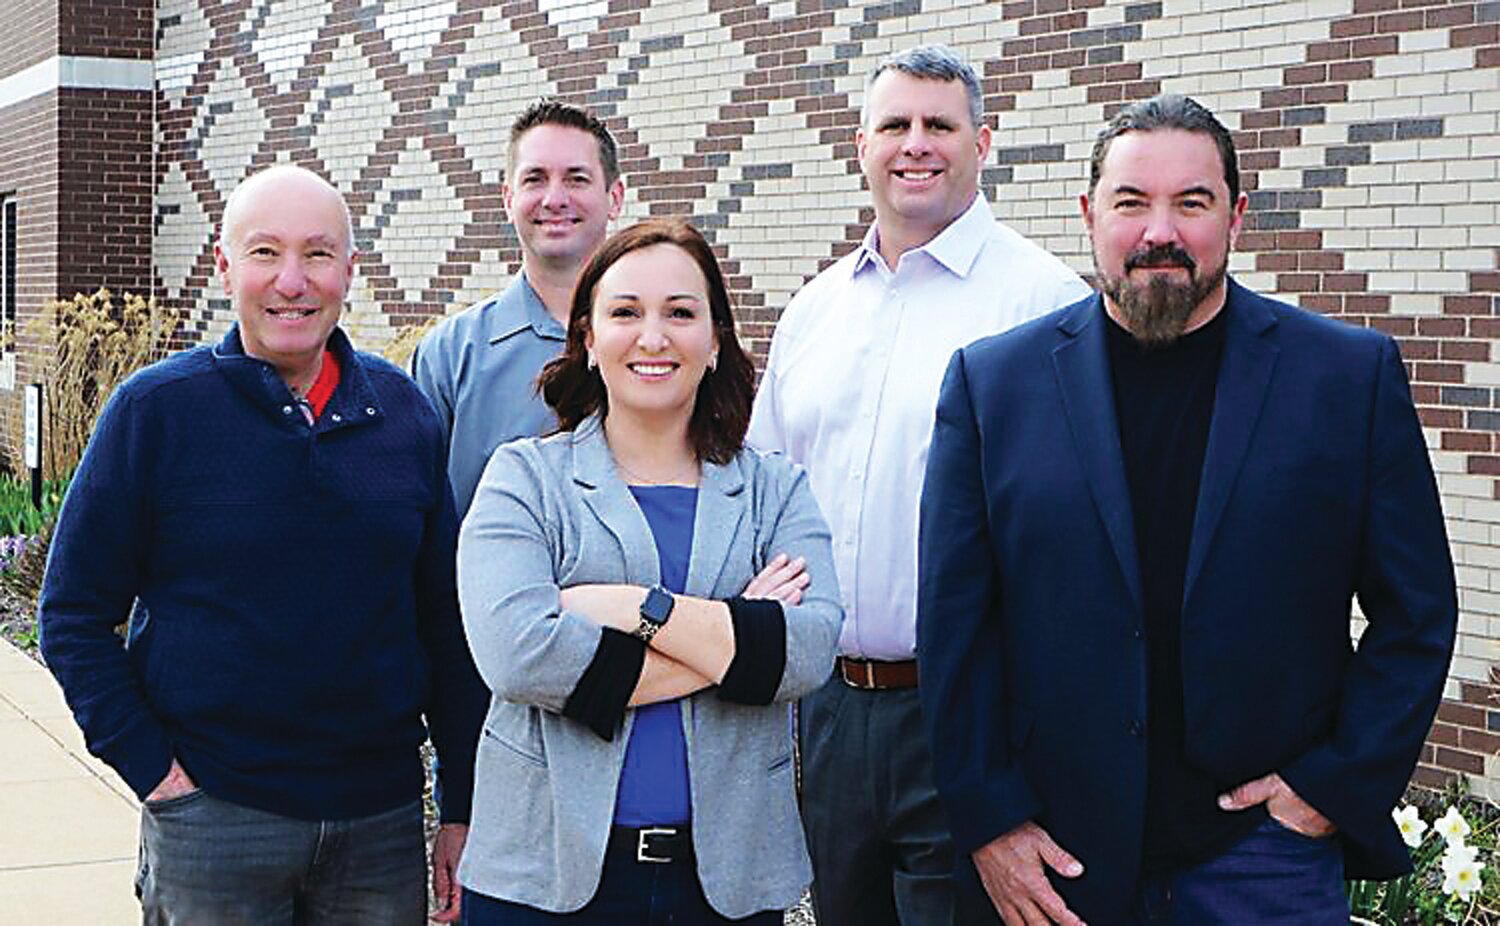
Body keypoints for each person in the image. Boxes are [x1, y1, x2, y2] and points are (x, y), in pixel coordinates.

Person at [917, 93, 1458, 925]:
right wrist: (990, 819)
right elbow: (957, 627)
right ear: (1089, 213)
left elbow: (1417, 614)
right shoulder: (994, 387)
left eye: (1192, 202)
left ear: (1236, 216)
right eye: (1131, 202)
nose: (1158, 231)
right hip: (1055, 859)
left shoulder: (1347, 379)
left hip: (1263, 860)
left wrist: (1331, 784)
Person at [38, 164, 487, 924]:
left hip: (377, 826)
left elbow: (444, 623)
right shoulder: (155, 414)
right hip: (216, 820)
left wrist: (460, 804)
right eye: (264, 253)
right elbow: (72, 612)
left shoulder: (403, 415)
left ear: (351, 267)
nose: (292, 281)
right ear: (223, 264)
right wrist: (158, 776)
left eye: (317, 254)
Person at [746, 45, 1090, 926]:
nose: (916, 144)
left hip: (970, 714)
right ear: (859, 144)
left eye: (940, 124)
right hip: (827, 714)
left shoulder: (1042, 302)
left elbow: (1073, 534)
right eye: (895, 125)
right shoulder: (814, 310)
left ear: (984, 142)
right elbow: (763, 491)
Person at [454, 218, 842, 924]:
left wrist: (638, 607)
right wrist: (739, 634)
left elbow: (807, 650)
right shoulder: (524, 479)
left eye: (681, 313)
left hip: (723, 885)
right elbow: (518, 655)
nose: (654, 337)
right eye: (625, 312)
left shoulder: (775, 490)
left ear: (716, 339)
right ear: (588, 339)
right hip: (544, 877)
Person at [413, 99, 624, 518]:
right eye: (535, 179)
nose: (554, 198)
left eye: (577, 179)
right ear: (508, 199)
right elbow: (415, 512)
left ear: (614, 198)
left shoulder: (663, 346)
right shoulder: (449, 355)